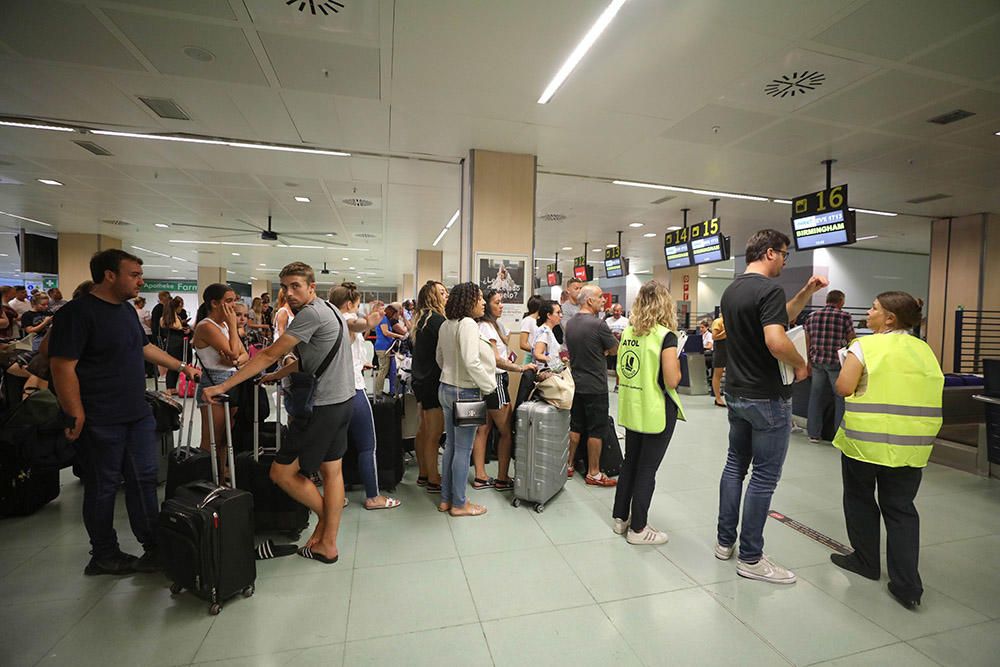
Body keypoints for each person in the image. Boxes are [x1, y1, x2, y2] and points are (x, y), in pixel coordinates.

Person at [49, 249, 200, 576]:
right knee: (103, 486)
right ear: (109, 275)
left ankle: (154, 546)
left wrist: (182, 366)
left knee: (144, 479)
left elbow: (142, 347)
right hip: (100, 416)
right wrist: (75, 413)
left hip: (136, 412)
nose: (140, 281)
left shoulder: (126, 311)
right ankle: (103, 553)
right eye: (134, 274)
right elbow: (62, 366)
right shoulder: (77, 313)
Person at [205, 262, 354, 563]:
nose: (288, 293)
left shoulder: (310, 314)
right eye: (284, 287)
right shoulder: (328, 309)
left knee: (282, 472)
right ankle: (328, 542)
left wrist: (224, 387)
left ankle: (326, 525)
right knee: (332, 471)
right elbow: (312, 359)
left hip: (322, 406)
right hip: (343, 401)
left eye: (296, 285)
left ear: (311, 287)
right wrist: (277, 375)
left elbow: (270, 353)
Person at [715, 229, 828, 585]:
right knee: (764, 477)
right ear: (768, 253)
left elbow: (779, 317)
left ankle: (724, 542)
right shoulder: (768, 289)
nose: (784, 261)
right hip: (767, 396)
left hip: (736, 392)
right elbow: (776, 339)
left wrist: (807, 292)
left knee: (735, 467)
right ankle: (750, 557)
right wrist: (800, 364)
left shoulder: (733, 289)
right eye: (783, 254)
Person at [831, 291, 943, 610]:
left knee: (860, 500)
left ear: (889, 318)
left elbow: (844, 386)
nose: (868, 312)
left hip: (865, 444)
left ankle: (866, 562)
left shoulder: (865, 346)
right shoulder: (924, 351)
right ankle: (908, 586)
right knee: (901, 510)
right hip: (911, 446)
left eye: (874, 308)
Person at [612, 281, 685, 545]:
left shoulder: (630, 333)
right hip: (656, 410)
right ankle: (639, 529)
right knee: (647, 469)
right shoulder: (666, 336)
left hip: (633, 407)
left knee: (630, 462)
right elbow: (672, 380)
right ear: (665, 304)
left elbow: (622, 371)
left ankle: (620, 519)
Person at [329, 282, 400, 510]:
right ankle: (373, 496)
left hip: (334, 392)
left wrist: (361, 362)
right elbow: (354, 324)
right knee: (367, 445)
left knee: (336, 449)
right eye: (357, 304)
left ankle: (336, 496)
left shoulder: (328, 321)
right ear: (350, 303)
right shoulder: (347, 319)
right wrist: (368, 321)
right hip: (353, 391)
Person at [436, 282, 497, 517]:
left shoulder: (446, 325)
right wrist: (489, 386)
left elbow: (440, 358)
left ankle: (446, 499)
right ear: (468, 301)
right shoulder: (469, 324)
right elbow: (472, 361)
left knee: (451, 446)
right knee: (463, 449)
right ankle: (460, 504)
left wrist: (452, 375)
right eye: (479, 298)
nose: (483, 302)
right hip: (467, 393)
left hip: (447, 388)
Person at [470, 289, 536, 491]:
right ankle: (501, 478)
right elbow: (495, 359)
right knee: (506, 431)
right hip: (495, 381)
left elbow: (504, 352)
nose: (501, 305)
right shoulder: (486, 328)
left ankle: (481, 477)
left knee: (484, 428)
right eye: (497, 302)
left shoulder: (496, 326)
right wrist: (521, 367)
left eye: (501, 302)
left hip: (490, 381)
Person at [564, 285, 619, 486]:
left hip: (576, 383)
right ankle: (594, 472)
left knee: (576, 425)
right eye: (599, 297)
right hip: (595, 386)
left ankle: (568, 464)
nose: (603, 300)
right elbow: (614, 350)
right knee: (597, 429)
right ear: (589, 301)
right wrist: (603, 351)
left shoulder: (570, 324)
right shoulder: (598, 325)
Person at [192, 284, 247, 475]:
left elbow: (243, 355)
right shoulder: (206, 326)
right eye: (229, 301)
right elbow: (233, 353)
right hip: (214, 383)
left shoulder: (223, 326)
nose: (233, 306)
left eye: (234, 300)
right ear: (214, 303)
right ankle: (205, 478)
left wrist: (233, 356)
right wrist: (233, 327)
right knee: (212, 439)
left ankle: (221, 476)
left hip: (232, 380)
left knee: (226, 437)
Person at [804, 289, 855, 444]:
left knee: (816, 397)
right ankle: (837, 435)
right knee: (840, 398)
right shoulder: (845, 316)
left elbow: (807, 340)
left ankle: (813, 433)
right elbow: (852, 339)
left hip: (817, 362)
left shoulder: (812, 316)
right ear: (841, 302)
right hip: (836, 363)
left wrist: (807, 362)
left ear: (827, 300)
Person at [411, 281, 448, 493]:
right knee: (434, 433)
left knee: (423, 430)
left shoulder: (420, 320)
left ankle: (424, 473)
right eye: (441, 293)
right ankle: (434, 478)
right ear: (432, 297)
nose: (446, 296)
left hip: (420, 380)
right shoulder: (437, 320)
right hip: (433, 381)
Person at [373, 303, 406, 395]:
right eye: (396, 314)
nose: (397, 316)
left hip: (385, 347)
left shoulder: (386, 320)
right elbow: (386, 332)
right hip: (383, 347)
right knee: (383, 370)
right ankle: (378, 392)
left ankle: (379, 391)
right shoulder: (383, 319)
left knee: (384, 370)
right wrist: (400, 336)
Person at [160, 296, 188, 395]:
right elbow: (176, 327)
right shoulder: (172, 317)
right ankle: (170, 388)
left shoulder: (167, 317)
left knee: (174, 366)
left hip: (172, 344)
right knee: (174, 366)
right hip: (175, 344)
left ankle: (171, 387)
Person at [530, 300, 562, 371]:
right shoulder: (544, 332)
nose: (561, 315)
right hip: (546, 373)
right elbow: (537, 354)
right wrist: (554, 361)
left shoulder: (548, 331)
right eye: (558, 313)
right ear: (549, 315)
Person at [606, 303, 629, 391]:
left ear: (621, 311)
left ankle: (618, 385)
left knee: (618, 366)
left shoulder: (626, 321)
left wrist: (621, 335)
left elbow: (629, 333)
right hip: (610, 347)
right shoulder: (608, 320)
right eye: (614, 311)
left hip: (621, 347)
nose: (616, 312)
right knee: (606, 366)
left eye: (618, 311)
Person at [518, 294, 542, 363]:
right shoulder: (527, 320)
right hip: (531, 358)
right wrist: (537, 350)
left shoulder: (539, 320)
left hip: (538, 358)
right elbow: (523, 344)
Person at [710, 315, 727, 407]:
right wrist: (726, 331)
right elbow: (714, 337)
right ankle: (718, 398)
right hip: (720, 349)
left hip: (731, 348)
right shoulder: (718, 322)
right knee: (718, 374)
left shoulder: (732, 320)